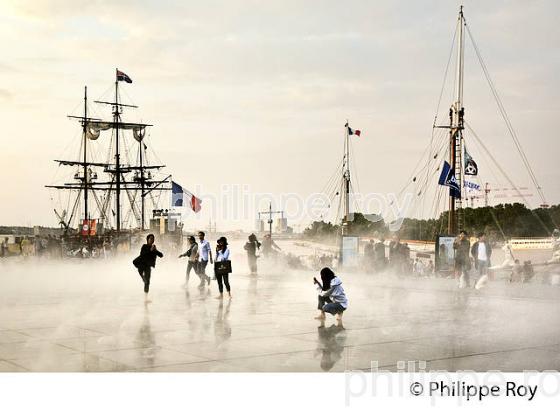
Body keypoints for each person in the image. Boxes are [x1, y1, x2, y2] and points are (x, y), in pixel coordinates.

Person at [134, 234, 164, 303]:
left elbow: (161, 255)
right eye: (150, 238)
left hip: (148, 266)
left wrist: (155, 250)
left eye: (153, 239)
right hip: (141, 264)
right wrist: (150, 250)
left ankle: (146, 298)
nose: (152, 240)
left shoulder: (153, 247)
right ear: (147, 240)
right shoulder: (144, 246)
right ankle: (142, 276)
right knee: (142, 275)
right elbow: (142, 255)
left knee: (147, 282)